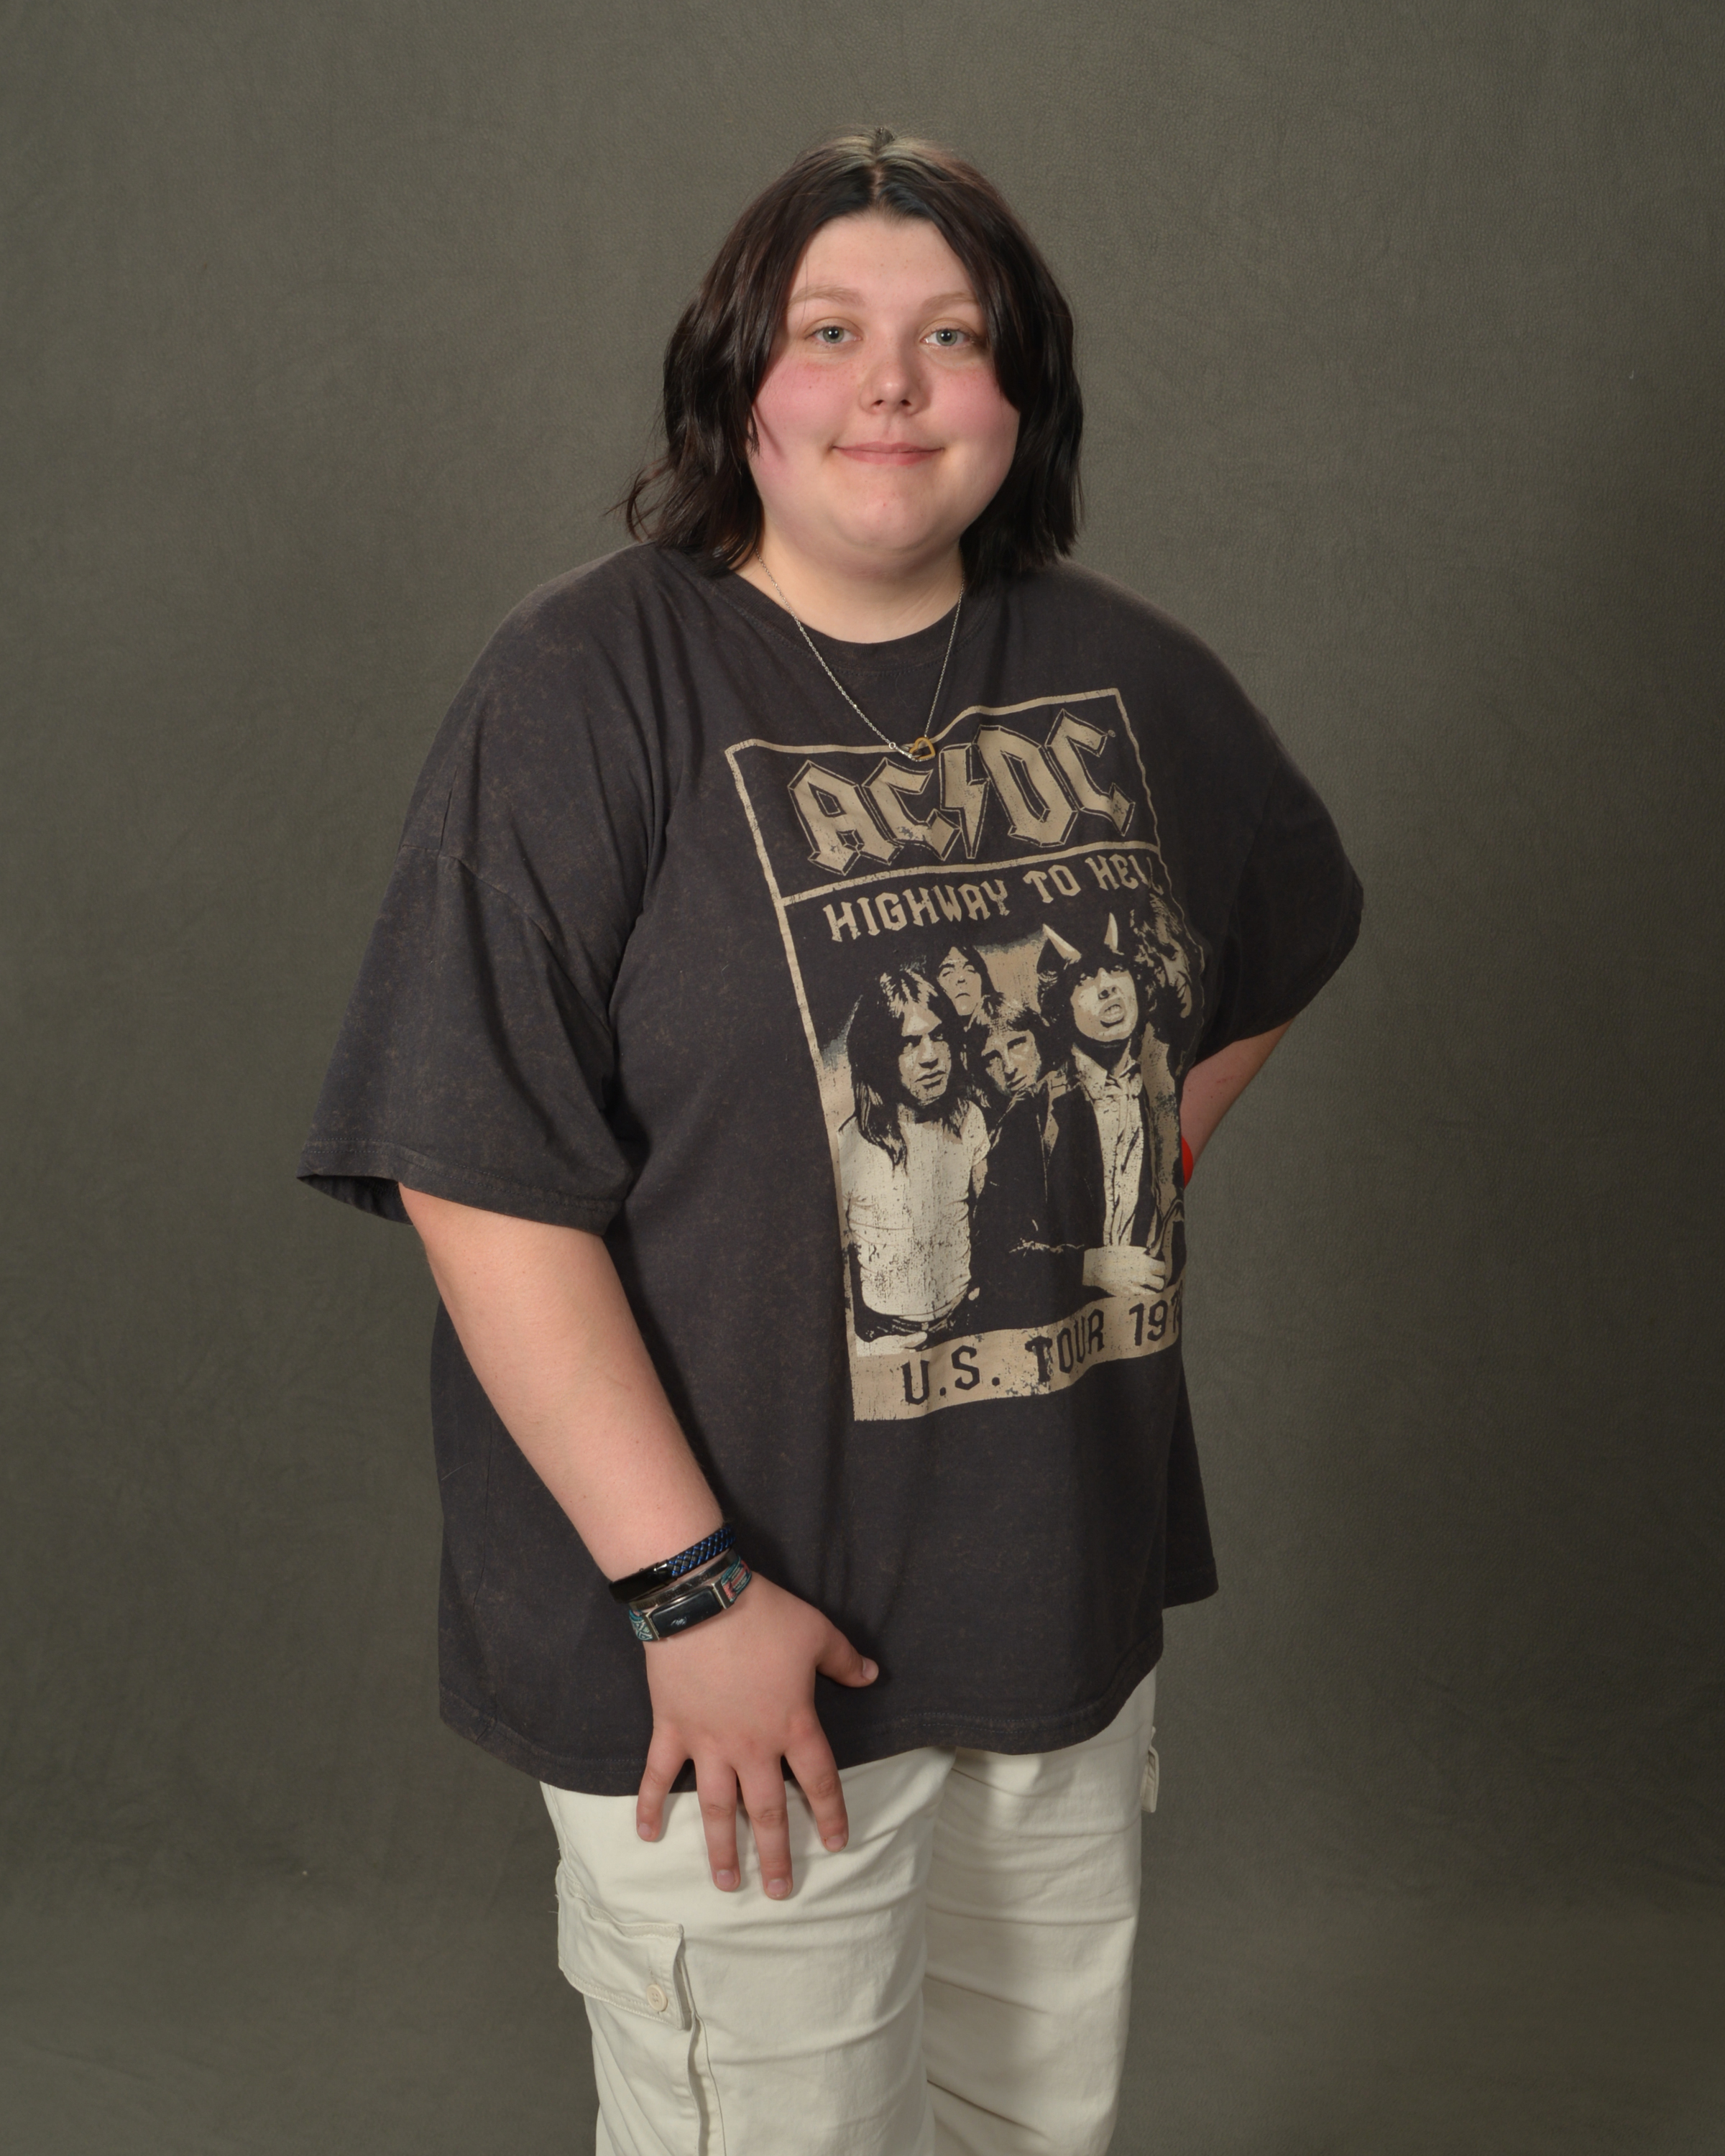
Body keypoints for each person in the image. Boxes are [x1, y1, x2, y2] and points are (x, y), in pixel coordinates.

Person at [300, 126, 1361, 2156]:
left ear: (1018, 393)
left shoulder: (1131, 679)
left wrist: (1118, 1167)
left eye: (951, 336)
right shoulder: (585, 688)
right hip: (732, 1670)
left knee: (1024, 2131)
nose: (892, 383)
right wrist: (688, 1594)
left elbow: (1276, 935)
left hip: (1050, 1612)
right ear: (737, 383)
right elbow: (475, 1176)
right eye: (829, 332)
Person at [836, 967, 988, 1343]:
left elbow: (993, 1223)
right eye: (909, 1043)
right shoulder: (849, 1143)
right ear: (879, 1054)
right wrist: (869, 1342)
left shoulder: (969, 1119)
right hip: (888, 1336)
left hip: (966, 1322)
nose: (930, 1057)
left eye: (939, 1036)